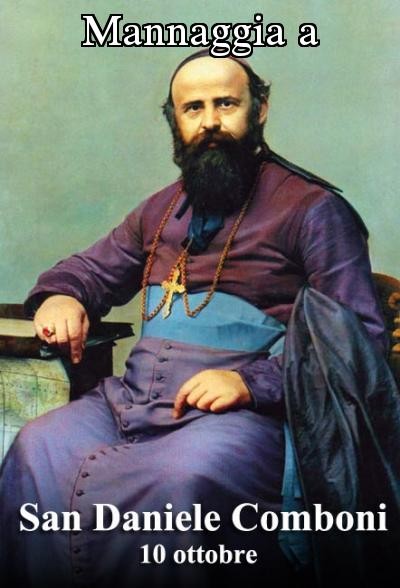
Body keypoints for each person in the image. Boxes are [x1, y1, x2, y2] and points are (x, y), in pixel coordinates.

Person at [0, 51, 391, 588]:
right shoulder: (160, 209)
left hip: (245, 416)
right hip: (130, 402)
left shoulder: (314, 209)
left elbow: (358, 340)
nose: (210, 122)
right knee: (37, 445)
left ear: (259, 109)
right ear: (175, 121)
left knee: (183, 480)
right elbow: (88, 271)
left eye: (225, 104)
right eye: (193, 108)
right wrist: (61, 296)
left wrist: (250, 383)